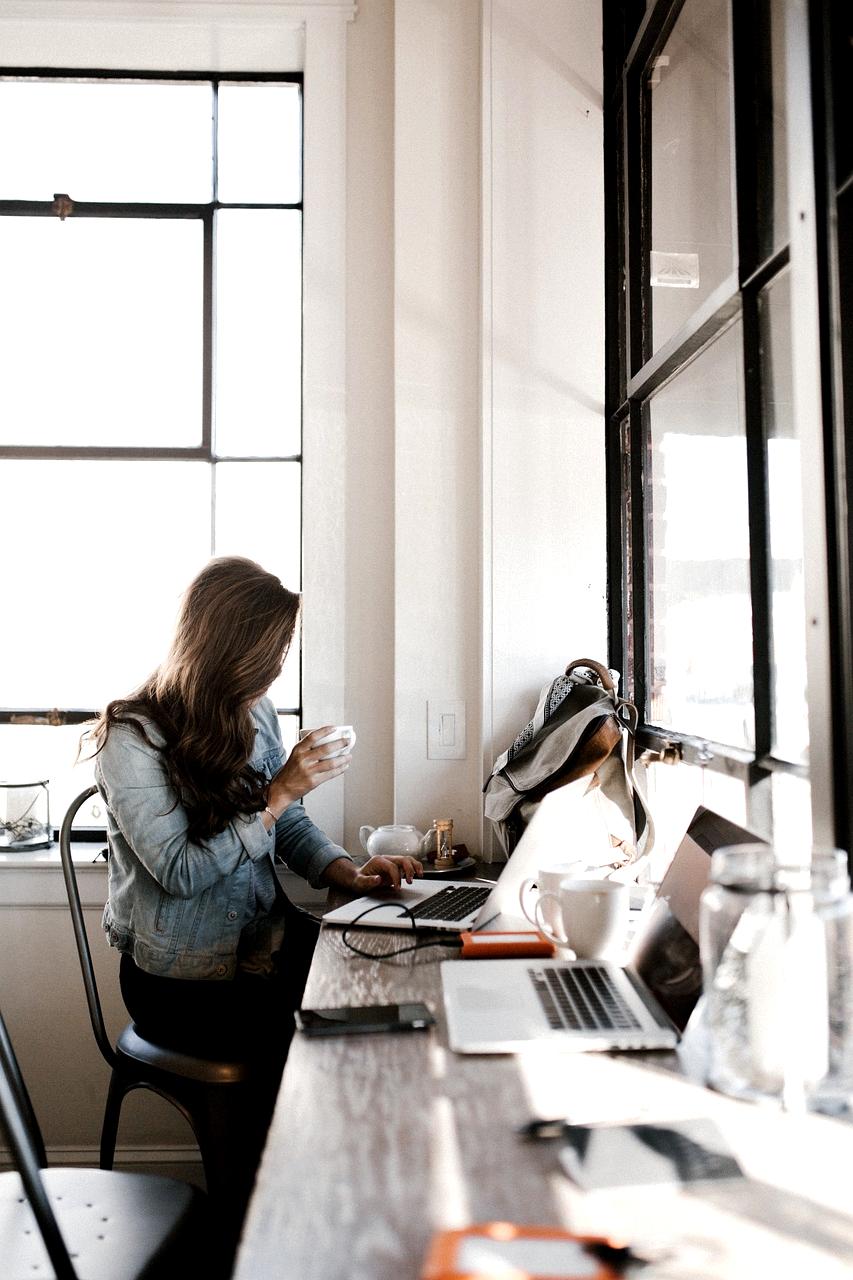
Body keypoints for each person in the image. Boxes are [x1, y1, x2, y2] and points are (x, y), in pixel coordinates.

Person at [90, 555, 422, 1232]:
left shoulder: (255, 711)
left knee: (391, 1003)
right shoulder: (131, 738)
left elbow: (288, 823)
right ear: (226, 648)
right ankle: (273, 1225)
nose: (276, 670)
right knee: (316, 1050)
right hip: (178, 980)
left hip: (261, 947)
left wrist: (347, 873)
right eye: (270, 653)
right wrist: (278, 794)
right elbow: (181, 871)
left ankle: (362, 1205)